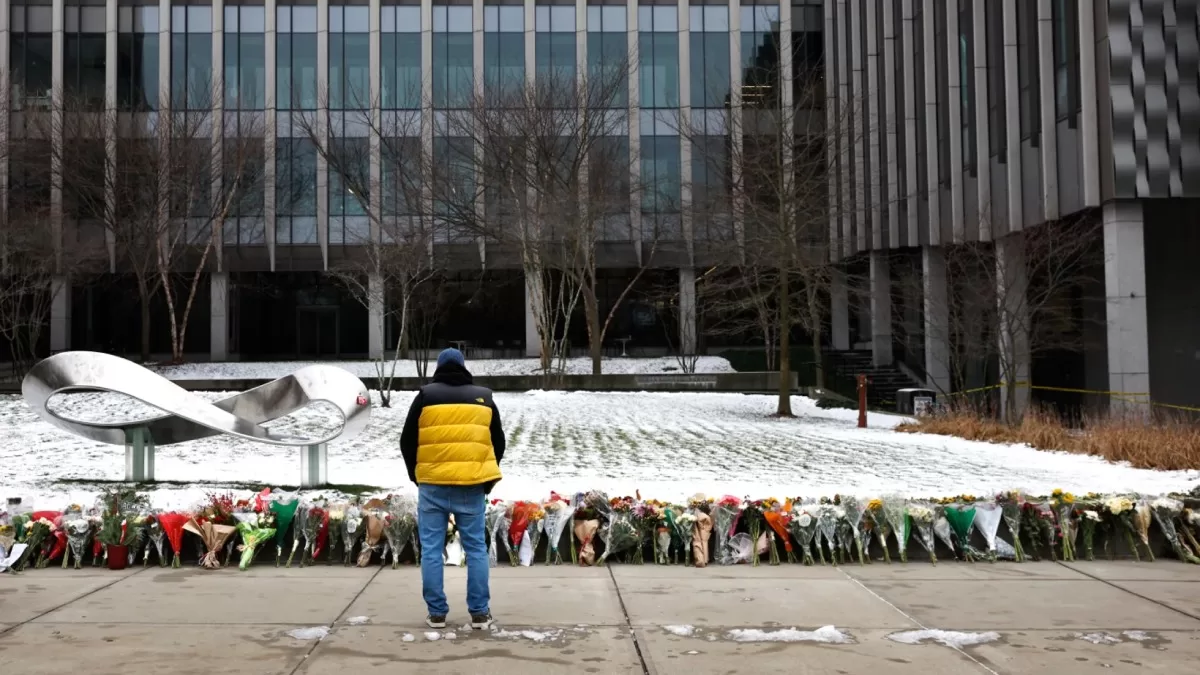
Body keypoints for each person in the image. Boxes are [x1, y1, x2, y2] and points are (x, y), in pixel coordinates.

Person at [400, 348, 505, 630]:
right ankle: (480, 613)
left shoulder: (425, 396)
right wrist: (484, 477)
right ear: (462, 367)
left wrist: (417, 476)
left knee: (432, 550)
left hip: (432, 485)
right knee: (476, 550)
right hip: (471, 486)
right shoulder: (483, 397)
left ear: (439, 367)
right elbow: (498, 443)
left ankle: (437, 613)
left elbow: (407, 440)